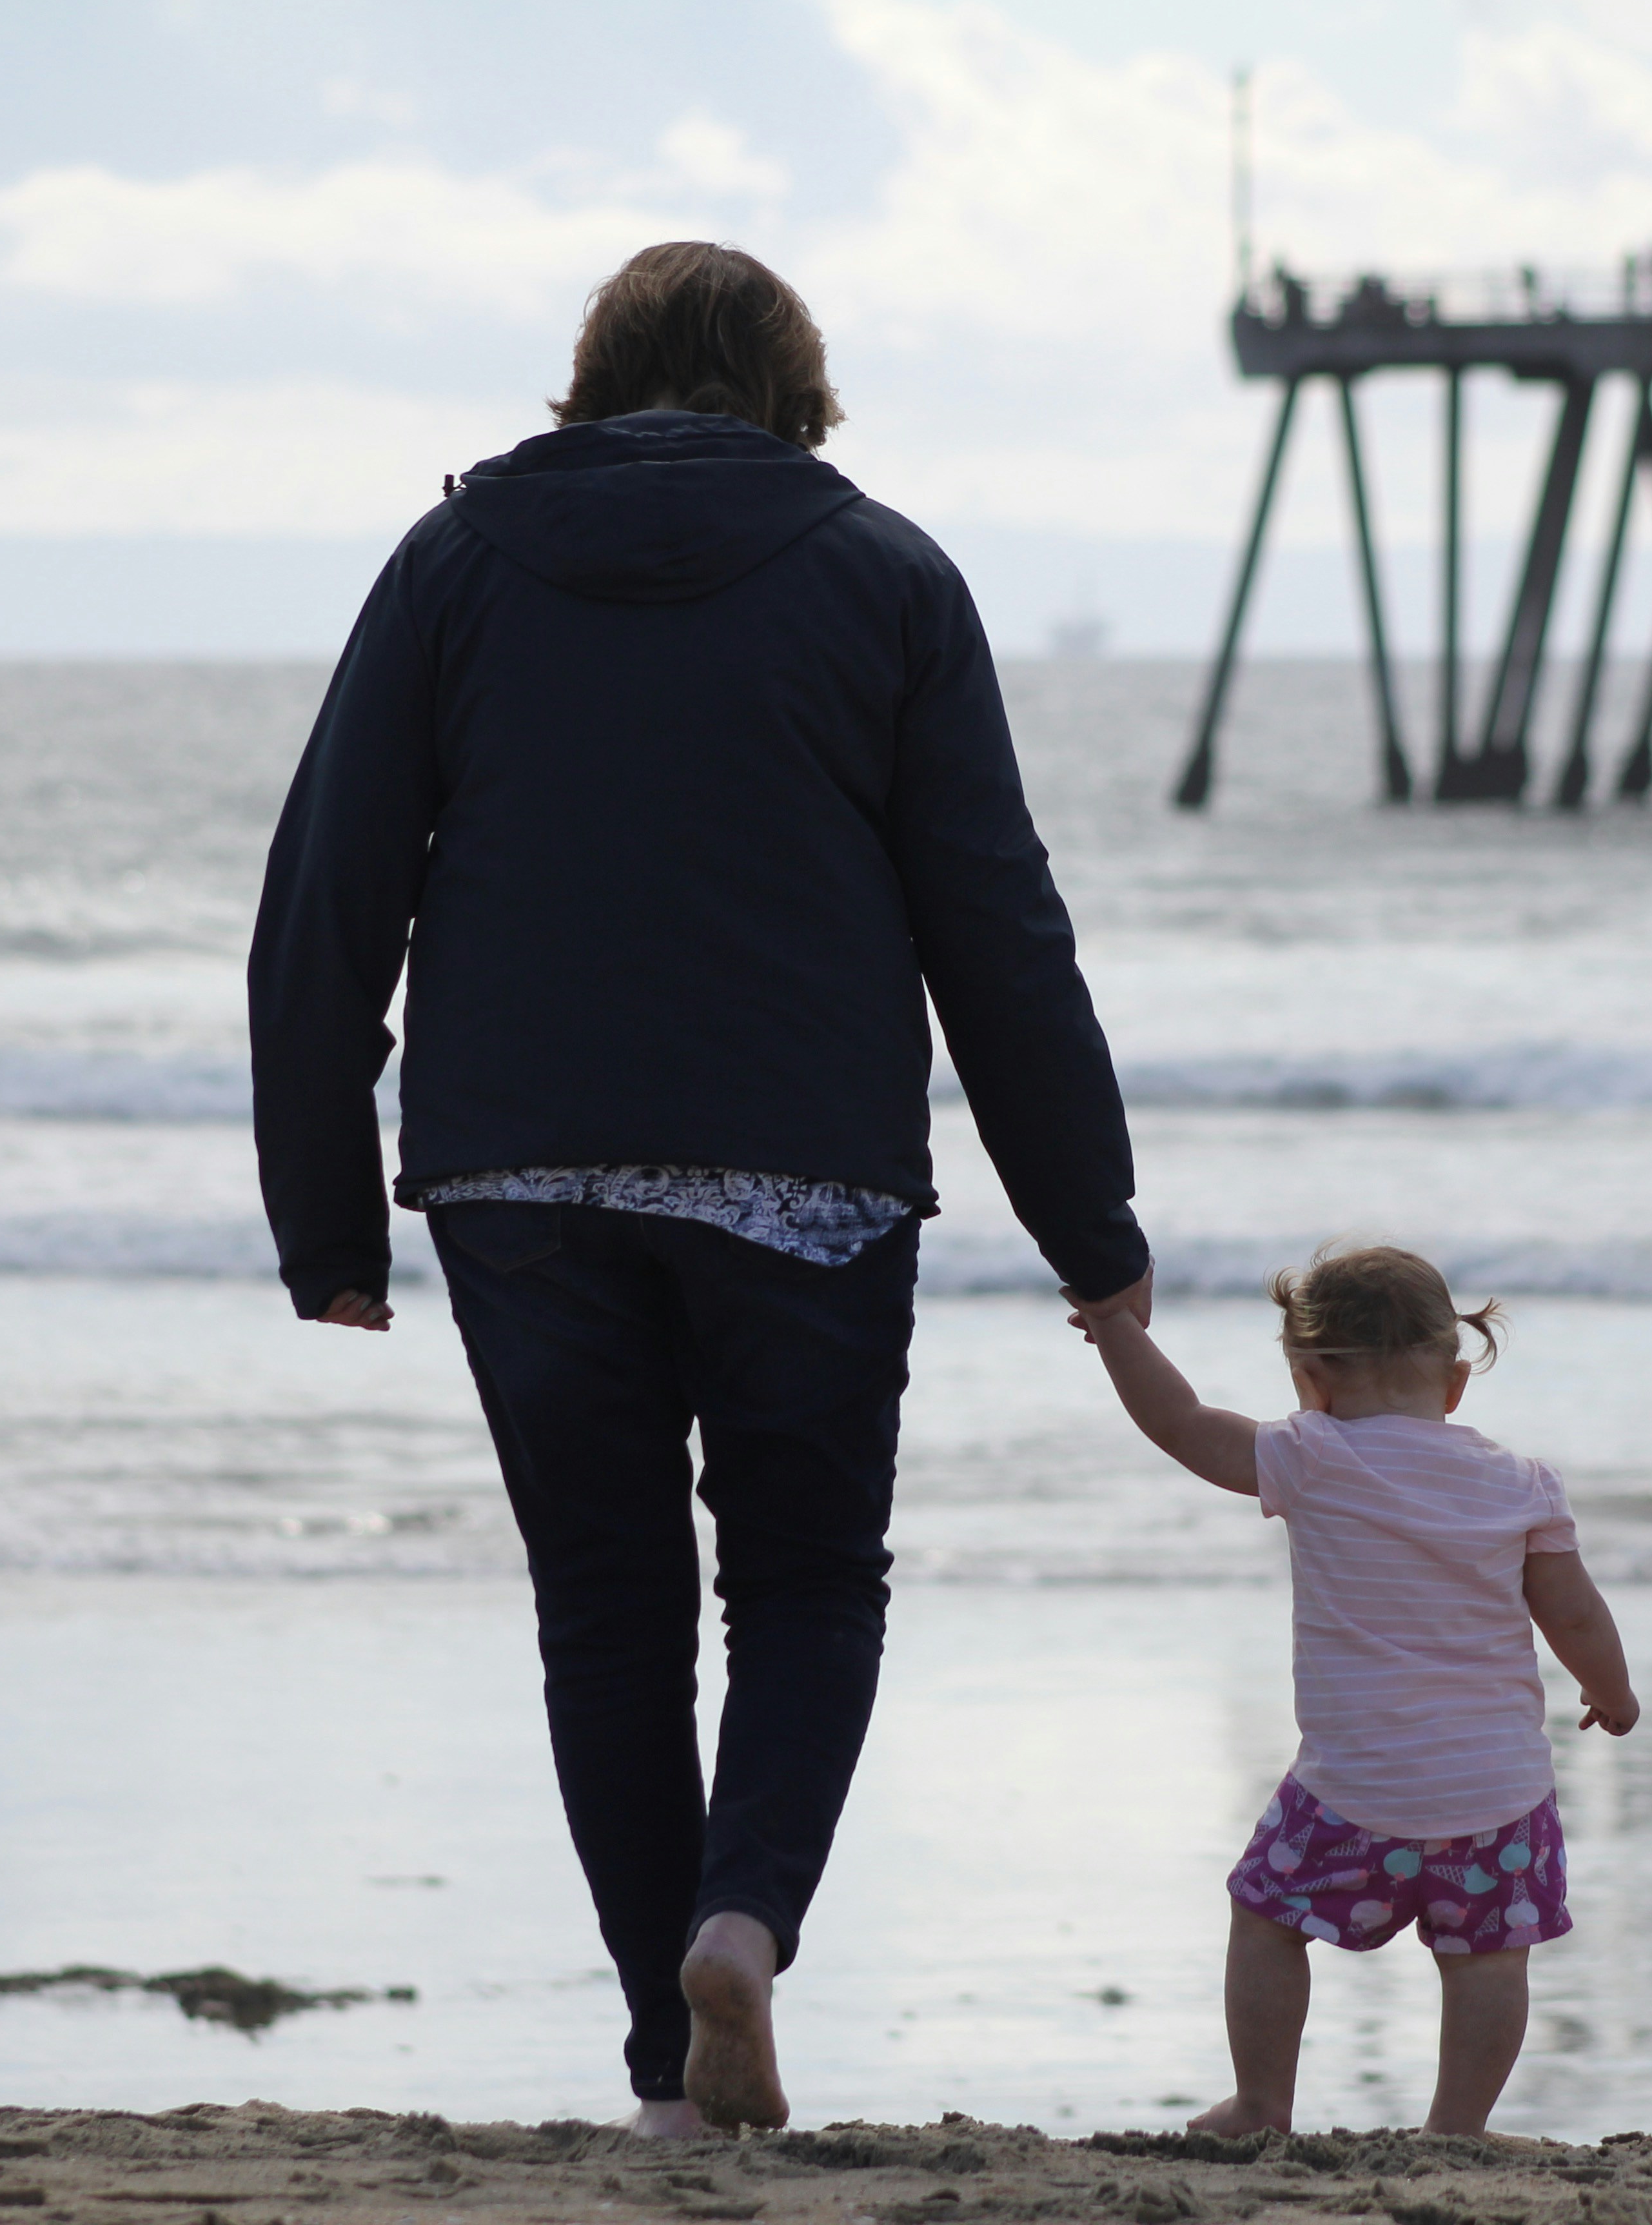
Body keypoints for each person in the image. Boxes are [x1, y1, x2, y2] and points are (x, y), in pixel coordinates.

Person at [247, 241, 1151, 2138]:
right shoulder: (888, 575)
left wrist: (328, 1222)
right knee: (810, 1582)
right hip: (802, 1173)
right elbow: (997, 926)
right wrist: (1094, 1232)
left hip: (522, 1168)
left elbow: (324, 905)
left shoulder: (454, 567)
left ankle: (671, 2071)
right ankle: (742, 1928)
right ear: (797, 383)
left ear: (597, 372)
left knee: (608, 1605)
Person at [1065, 1245, 1637, 2139]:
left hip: (1353, 1792)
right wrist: (1613, 1692)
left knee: (1265, 1917)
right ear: (1454, 1383)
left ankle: (1262, 2106)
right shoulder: (1522, 1486)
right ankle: (1458, 2127)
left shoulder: (1313, 1455)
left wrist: (1113, 1328)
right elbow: (1575, 1615)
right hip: (1497, 1794)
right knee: (1489, 1958)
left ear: (1311, 1379)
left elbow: (1181, 1424)